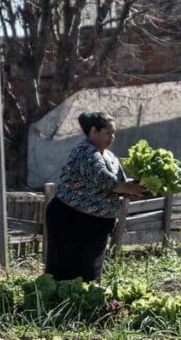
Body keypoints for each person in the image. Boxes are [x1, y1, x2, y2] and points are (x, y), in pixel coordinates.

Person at [45, 111, 147, 281]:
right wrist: (129, 188)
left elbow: (121, 182)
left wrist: (140, 186)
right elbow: (105, 180)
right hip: (70, 219)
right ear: (93, 131)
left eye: (113, 133)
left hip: (94, 223)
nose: (112, 137)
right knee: (65, 271)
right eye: (108, 133)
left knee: (90, 274)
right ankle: (59, 305)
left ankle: (85, 305)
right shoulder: (85, 152)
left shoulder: (109, 156)